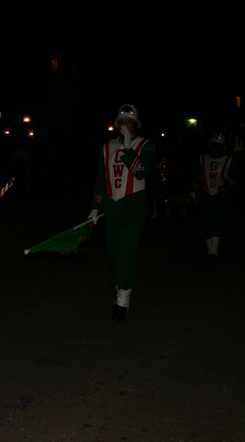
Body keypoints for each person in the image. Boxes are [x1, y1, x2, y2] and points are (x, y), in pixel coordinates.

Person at [88, 104, 155, 321]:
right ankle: (120, 290)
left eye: (129, 121)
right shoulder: (107, 146)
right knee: (114, 251)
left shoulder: (145, 144)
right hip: (113, 206)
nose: (124, 125)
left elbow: (141, 172)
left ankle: (123, 301)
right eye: (121, 121)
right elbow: (101, 178)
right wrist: (96, 207)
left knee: (127, 251)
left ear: (136, 124)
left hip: (134, 205)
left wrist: (128, 149)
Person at [194, 133, 235, 261]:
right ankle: (209, 249)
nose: (215, 149)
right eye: (214, 146)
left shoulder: (229, 160)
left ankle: (214, 251)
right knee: (207, 220)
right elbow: (197, 177)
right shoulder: (202, 159)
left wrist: (224, 182)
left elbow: (236, 179)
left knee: (217, 219)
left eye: (218, 146)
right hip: (206, 193)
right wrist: (193, 191)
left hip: (221, 194)